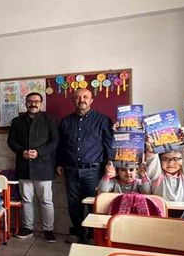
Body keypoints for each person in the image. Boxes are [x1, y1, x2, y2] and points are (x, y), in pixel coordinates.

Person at [55, 88, 113, 243]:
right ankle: (80, 234)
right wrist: (59, 163)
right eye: (78, 97)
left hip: (94, 171)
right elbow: (61, 145)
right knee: (74, 205)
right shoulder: (66, 121)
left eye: (85, 97)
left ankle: (94, 236)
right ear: (73, 100)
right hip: (71, 170)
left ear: (91, 100)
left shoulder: (103, 120)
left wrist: (110, 163)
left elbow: (109, 144)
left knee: (94, 203)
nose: (82, 100)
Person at [7, 93, 59, 242]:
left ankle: (48, 230)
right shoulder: (16, 121)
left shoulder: (49, 120)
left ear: (41, 104)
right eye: (30, 101)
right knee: (26, 200)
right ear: (25, 104)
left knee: (46, 201)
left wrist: (39, 152)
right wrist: (21, 152)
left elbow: (54, 141)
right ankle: (27, 228)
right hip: (24, 166)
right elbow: (11, 141)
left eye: (36, 101)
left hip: (44, 167)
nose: (33, 104)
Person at [145, 128, 184, 219]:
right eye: (165, 159)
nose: (170, 163)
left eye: (175, 159)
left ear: (182, 161)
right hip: (161, 221)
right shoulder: (157, 176)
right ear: (160, 161)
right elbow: (151, 162)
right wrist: (151, 150)